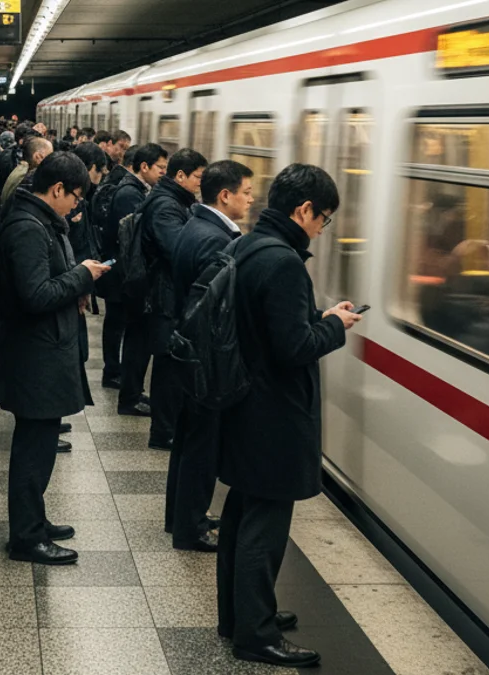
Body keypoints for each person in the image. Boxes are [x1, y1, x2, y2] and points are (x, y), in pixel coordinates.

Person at [217, 163, 360, 668]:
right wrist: (335, 326)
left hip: (245, 403)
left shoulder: (250, 245)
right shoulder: (282, 262)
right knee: (265, 525)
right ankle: (254, 635)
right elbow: (291, 347)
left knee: (241, 513)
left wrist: (315, 317)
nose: (322, 228)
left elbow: (269, 326)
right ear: (303, 211)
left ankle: (238, 616)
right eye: (323, 219)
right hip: (272, 413)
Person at [0, 152, 111, 565]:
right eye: (75, 197)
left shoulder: (41, 220)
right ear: (57, 189)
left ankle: (35, 520)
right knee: (33, 449)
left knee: (40, 447)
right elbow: (35, 294)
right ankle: (26, 537)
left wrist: (76, 282)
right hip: (34, 356)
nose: (77, 205)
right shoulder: (28, 227)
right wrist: (82, 275)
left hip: (43, 349)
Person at [164, 159, 253, 553]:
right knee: (202, 445)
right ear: (225, 195)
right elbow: (215, 307)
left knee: (186, 439)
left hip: (185, 348)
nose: (251, 201)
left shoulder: (194, 225)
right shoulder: (218, 239)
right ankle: (190, 527)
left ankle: (178, 515)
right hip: (204, 356)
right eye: (247, 193)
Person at [138, 147, 207, 451]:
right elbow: (179, 251)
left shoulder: (171, 200)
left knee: (169, 365)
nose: (199, 185)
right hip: (164, 296)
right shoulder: (166, 206)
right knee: (167, 367)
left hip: (166, 293)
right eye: (197, 178)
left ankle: (167, 427)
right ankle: (163, 432)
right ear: (180, 176)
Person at [107, 143, 165, 399]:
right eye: (161, 168)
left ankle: (121, 378)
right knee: (128, 331)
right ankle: (119, 379)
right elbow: (130, 241)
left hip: (125, 274)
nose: (165, 173)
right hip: (125, 276)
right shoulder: (131, 194)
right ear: (144, 167)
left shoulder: (135, 190)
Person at [68, 142, 109, 263]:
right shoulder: (75, 197)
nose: (100, 178)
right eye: (100, 172)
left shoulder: (87, 193)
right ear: (92, 168)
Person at [0, 135, 53, 216]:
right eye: (50, 156)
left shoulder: (20, 169)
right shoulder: (29, 180)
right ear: (38, 157)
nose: (52, 161)